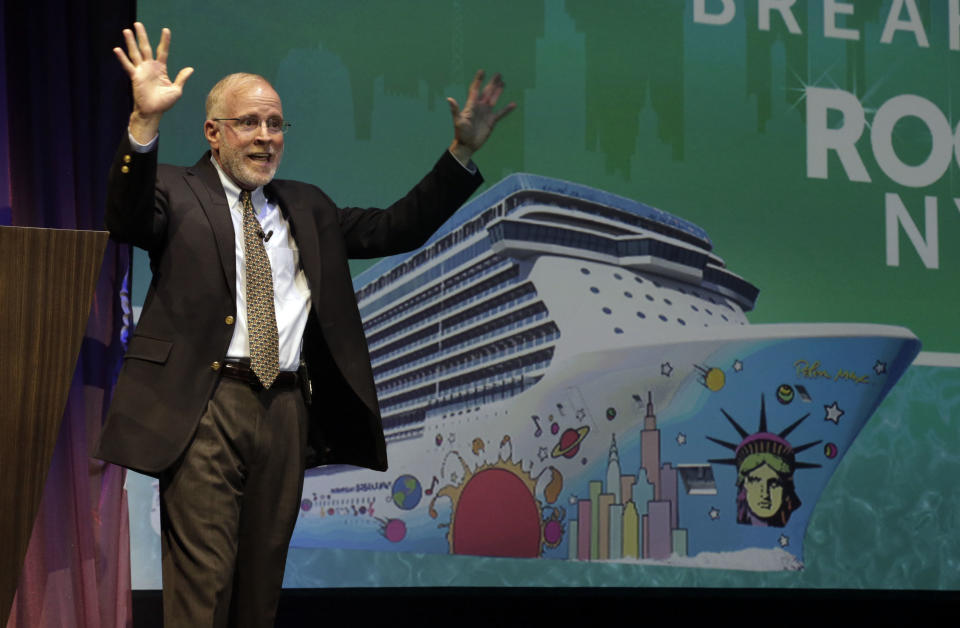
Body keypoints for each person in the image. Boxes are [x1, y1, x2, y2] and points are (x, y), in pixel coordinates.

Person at [93, 23, 515, 627]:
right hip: (206, 407)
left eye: (275, 125)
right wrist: (144, 124)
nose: (266, 137)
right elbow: (126, 217)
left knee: (260, 590)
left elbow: (396, 228)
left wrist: (461, 154)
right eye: (249, 124)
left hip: (286, 410)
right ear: (213, 133)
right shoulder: (175, 191)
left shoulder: (306, 206)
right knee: (202, 584)